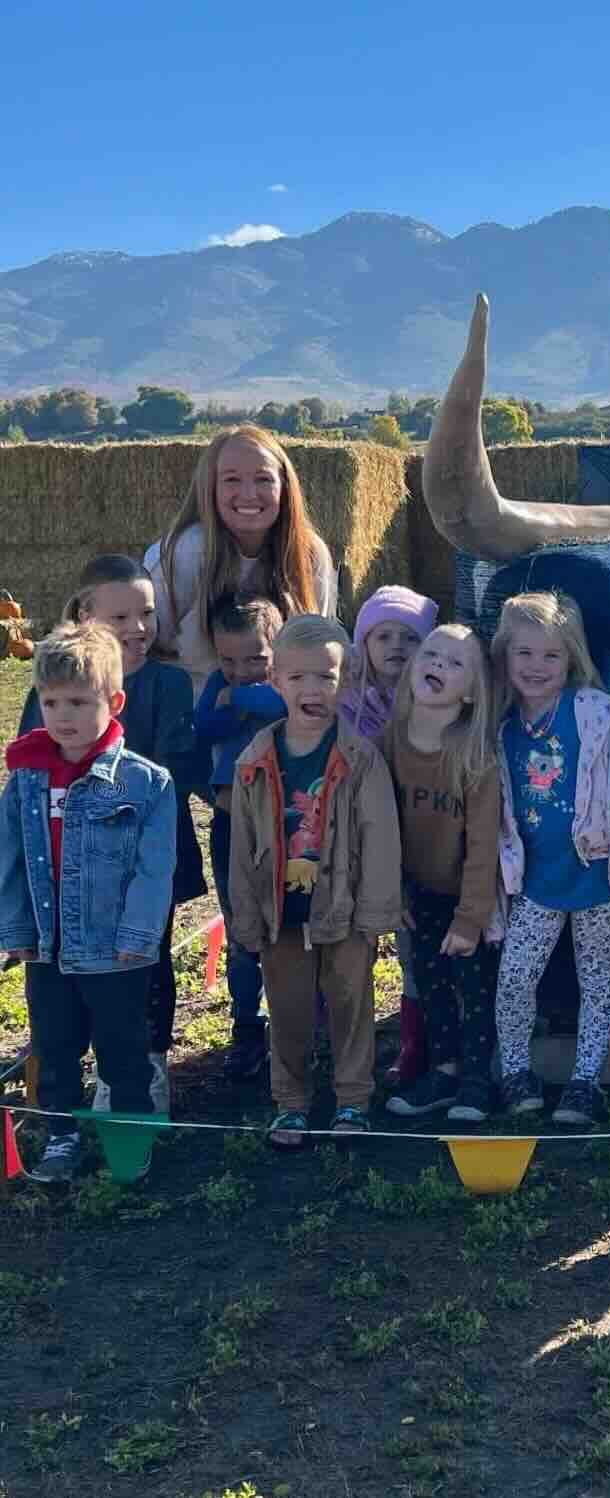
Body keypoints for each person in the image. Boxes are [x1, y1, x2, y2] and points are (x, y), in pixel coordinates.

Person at [21, 554, 206, 1114]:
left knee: (148, 957)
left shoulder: (169, 684)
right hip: (74, 854)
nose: (138, 628)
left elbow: (175, 769)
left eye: (146, 613)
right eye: (120, 617)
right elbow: (36, 761)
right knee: (71, 958)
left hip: (150, 851)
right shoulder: (52, 685)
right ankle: (71, 1062)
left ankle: (145, 1064)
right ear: (82, 614)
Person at [0, 625, 177, 1184]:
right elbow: (8, 859)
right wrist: (14, 928)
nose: (62, 715)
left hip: (113, 949)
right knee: (54, 1047)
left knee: (123, 1050)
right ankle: (61, 1136)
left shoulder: (146, 784)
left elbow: (155, 870)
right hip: (47, 946)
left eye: (78, 701)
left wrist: (138, 936)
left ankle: (129, 1138)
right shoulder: (24, 779)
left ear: (114, 702)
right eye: (51, 702)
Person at [228, 614, 401, 1147]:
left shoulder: (360, 757)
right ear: (275, 680)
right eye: (298, 677)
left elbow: (380, 838)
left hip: (344, 908)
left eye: (324, 677)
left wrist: (375, 915)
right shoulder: (254, 758)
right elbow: (240, 845)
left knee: (351, 1002)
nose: (312, 689)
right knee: (288, 1007)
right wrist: (244, 914)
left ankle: (352, 1099)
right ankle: (292, 1102)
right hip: (280, 912)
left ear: (344, 681)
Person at [490, 591, 610, 1129]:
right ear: (505, 657)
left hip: (598, 872)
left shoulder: (593, 714)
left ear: (571, 658)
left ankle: (584, 1082)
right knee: (516, 975)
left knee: (597, 977)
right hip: (535, 878)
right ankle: (516, 1071)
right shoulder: (500, 723)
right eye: (525, 655)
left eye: (550, 656)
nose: (537, 667)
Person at [382, 624, 503, 1123]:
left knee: (473, 990)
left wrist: (472, 916)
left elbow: (483, 844)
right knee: (428, 983)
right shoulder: (387, 742)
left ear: (472, 691)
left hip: (468, 896)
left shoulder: (474, 756)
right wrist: (394, 890)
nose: (438, 665)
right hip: (419, 892)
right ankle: (445, 1071)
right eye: (431, 654)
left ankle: (478, 1080)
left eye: (456, 663)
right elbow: (381, 825)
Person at [335, 585, 441, 1088]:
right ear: (363, 643)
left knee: (417, 945)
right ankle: (335, 1041)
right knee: (354, 942)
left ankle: (418, 1041)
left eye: (411, 637)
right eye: (383, 636)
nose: (397, 646)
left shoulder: (440, 705)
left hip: (424, 842)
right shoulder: (348, 708)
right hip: (365, 842)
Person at [146, 426, 337, 695]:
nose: (249, 494)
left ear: (284, 486)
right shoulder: (183, 553)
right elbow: (143, 650)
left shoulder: (309, 554)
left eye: (263, 479)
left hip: (281, 717)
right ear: (210, 488)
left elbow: (320, 645)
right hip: (192, 717)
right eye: (232, 480)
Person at [194, 595, 287, 1080]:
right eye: (228, 660)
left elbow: (284, 709)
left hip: (284, 825)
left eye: (255, 659)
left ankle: (297, 1021)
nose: (241, 671)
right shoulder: (216, 684)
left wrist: (246, 700)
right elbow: (203, 725)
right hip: (232, 824)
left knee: (290, 923)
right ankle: (246, 1024)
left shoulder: (284, 685)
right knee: (240, 927)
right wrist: (234, 707)